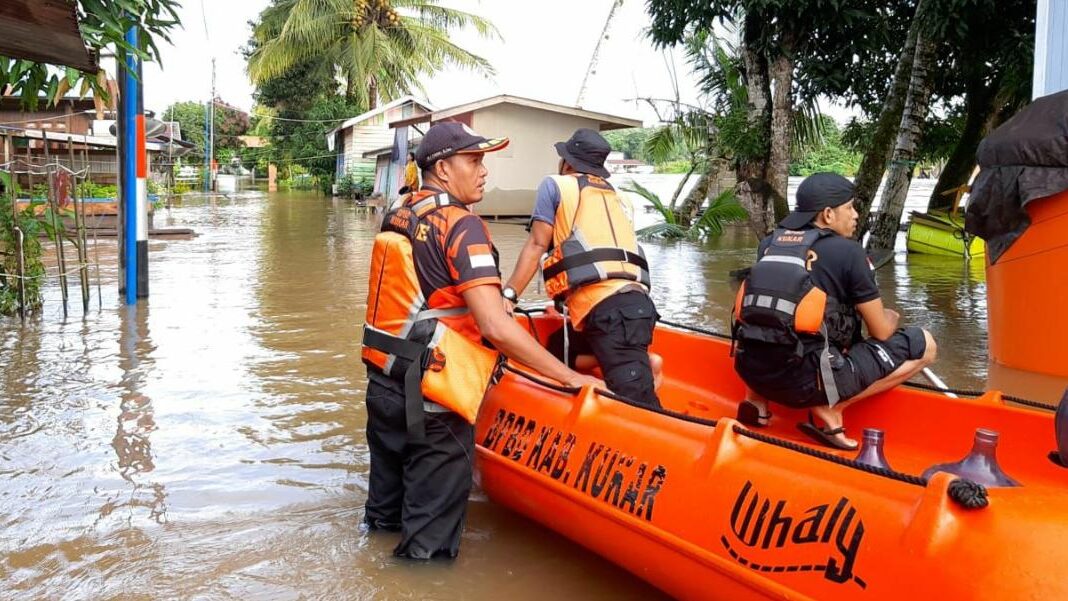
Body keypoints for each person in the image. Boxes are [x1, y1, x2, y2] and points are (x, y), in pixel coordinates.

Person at [360, 122, 603, 560]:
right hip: (433, 401)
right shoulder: (462, 225)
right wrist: (570, 378)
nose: (484, 170)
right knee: (427, 555)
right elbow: (493, 325)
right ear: (443, 168)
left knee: (381, 520)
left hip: (383, 388)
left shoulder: (399, 212)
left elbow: (428, 295)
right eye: (473, 161)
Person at [732, 172, 938, 450]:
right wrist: (890, 317)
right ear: (828, 214)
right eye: (850, 207)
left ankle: (756, 402)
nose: (855, 215)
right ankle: (834, 408)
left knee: (775, 328)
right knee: (925, 344)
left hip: (751, 370)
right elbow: (880, 330)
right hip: (806, 385)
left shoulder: (769, 244)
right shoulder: (849, 252)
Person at [502, 128, 662, 409]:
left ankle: (637, 371)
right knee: (554, 348)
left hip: (612, 315)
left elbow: (538, 244)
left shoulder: (556, 185)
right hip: (632, 305)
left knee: (637, 406)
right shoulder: (619, 198)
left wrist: (509, 295)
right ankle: (640, 361)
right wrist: (564, 306)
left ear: (568, 163)